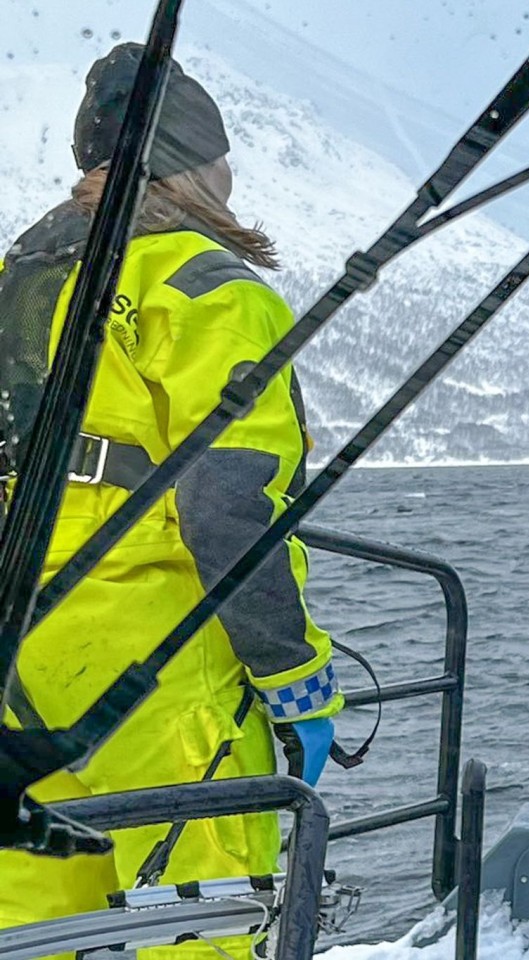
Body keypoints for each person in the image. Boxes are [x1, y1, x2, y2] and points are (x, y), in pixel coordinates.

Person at [0, 43, 342, 954]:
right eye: (220, 155)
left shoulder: (17, 282)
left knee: (33, 934)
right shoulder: (204, 286)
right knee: (201, 929)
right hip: (149, 671)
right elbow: (231, 506)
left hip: (14, 664)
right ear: (190, 161)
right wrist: (293, 675)